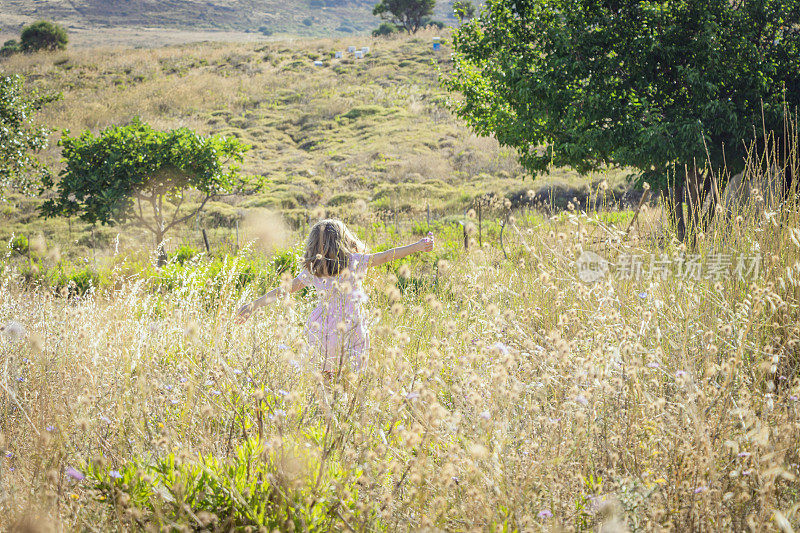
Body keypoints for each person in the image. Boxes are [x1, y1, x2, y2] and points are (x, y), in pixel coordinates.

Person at [236, 219, 434, 376]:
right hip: (352, 327)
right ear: (344, 240)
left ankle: (326, 412)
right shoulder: (355, 261)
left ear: (314, 246)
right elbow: (386, 256)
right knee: (350, 376)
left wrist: (253, 305)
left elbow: (284, 290)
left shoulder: (313, 270)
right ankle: (344, 410)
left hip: (321, 329)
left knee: (324, 375)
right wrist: (417, 246)